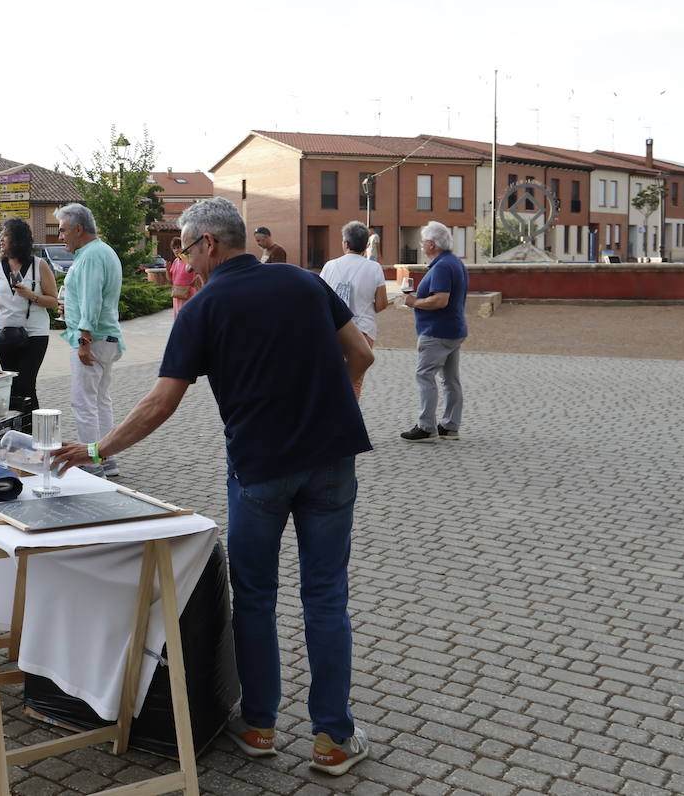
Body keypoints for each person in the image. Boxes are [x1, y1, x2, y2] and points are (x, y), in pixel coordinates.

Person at [51, 197, 375, 777]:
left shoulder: (204, 309)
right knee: (326, 598)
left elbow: (159, 403)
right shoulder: (304, 283)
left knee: (255, 597)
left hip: (259, 469)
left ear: (209, 245)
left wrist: (97, 450)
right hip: (331, 460)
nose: (183, 260)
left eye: (184, 247)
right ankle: (332, 737)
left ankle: (259, 724)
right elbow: (363, 352)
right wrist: (347, 393)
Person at [54, 203, 124, 478]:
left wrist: (83, 339)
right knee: (100, 400)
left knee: (84, 402)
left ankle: (92, 465)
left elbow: (92, 301)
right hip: (105, 337)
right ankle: (107, 458)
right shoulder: (100, 252)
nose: (60, 237)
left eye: (62, 231)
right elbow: (88, 298)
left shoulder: (91, 256)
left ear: (79, 229)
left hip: (92, 339)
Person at [401, 221, 468, 441]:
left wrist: (414, 302)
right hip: (453, 329)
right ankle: (450, 426)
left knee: (425, 375)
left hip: (436, 331)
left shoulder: (441, 266)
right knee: (450, 380)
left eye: (422, 242)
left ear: (431, 244)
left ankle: (426, 426)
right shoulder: (454, 262)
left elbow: (440, 300)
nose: (420, 245)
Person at [0, 219, 59, 411]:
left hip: (34, 335)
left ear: (18, 239)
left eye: (5, 234)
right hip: (4, 335)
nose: (1, 239)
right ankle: (15, 433)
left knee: (26, 385)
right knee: (10, 387)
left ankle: (32, 435)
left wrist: (31, 295)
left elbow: (53, 301)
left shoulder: (38, 265)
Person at [319, 221, 388, 398]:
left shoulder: (329, 266)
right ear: (366, 245)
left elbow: (321, 300)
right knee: (354, 382)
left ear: (346, 243)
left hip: (334, 329)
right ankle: (349, 421)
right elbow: (381, 304)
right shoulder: (374, 268)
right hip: (363, 330)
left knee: (330, 376)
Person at [167, 237, 201, 316]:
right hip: (177, 294)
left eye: (178, 247)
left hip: (189, 293)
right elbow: (170, 280)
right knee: (178, 316)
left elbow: (199, 273)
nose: (176, 250)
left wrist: (193, 282)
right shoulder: (175, 261)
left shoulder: (190, 260)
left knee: (188, 316)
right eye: (174, 248)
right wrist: (167, 271)